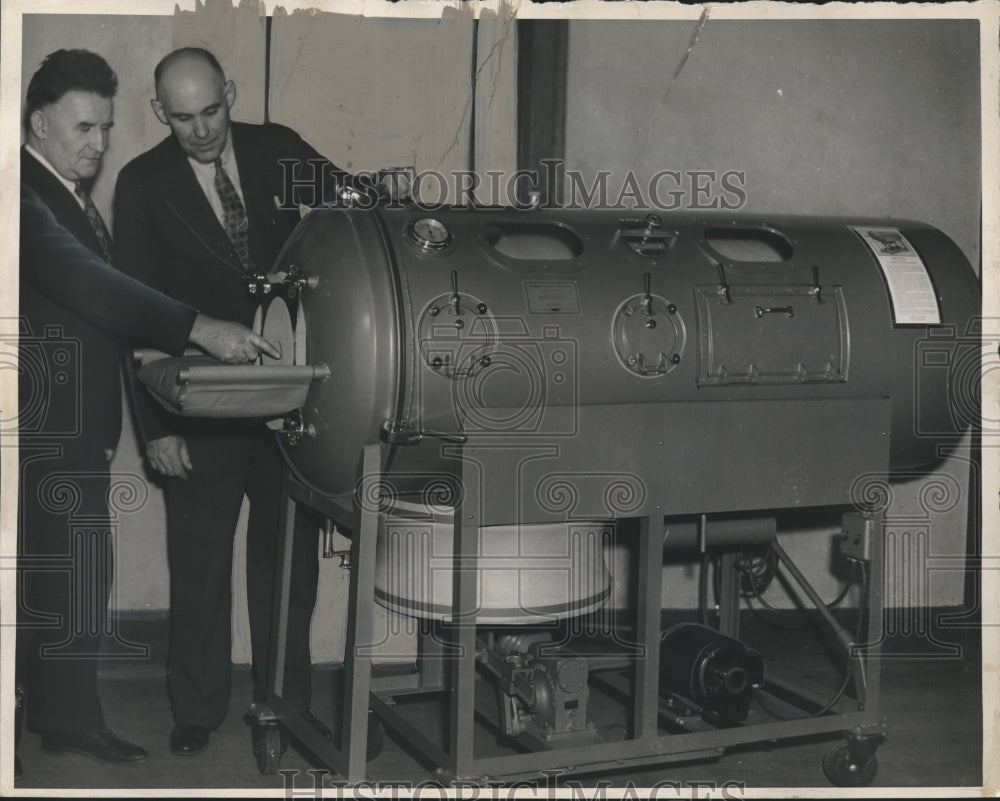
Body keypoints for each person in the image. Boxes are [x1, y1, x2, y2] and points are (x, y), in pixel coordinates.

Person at [17, 49, 278, 779]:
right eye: (83, 127)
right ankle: (56, 725)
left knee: (68, 580)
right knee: (60, 581)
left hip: (73, 430)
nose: (99, 143)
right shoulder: (24, 195)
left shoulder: (61, 191)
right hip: (50, 429)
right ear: (39, 123)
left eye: (105, 126)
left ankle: (57, 716)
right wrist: (198, 327)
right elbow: (95, 286)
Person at [113, 47, 359, 758]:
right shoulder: (141, 182)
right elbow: (136, 313)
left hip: (288, 408)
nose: (200, 131)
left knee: (288, 568)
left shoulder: (277, 148)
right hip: (199, 409)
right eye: (182, 118)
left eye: (211, 111)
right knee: (199, 565)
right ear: (160, 112)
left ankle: (282, 705)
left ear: (231, 91)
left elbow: (348, 199)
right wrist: (156, 427)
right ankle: (195, 707)